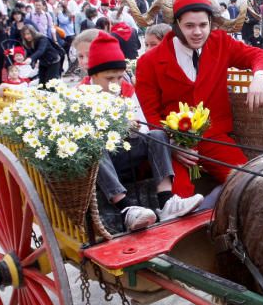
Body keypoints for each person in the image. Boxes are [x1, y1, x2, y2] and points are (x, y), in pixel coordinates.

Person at [135, 0, 263, 198]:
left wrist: (260, 76)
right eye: (190, 26)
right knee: (177, 200)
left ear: (210, 23)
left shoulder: (220, 42)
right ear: (177, 25)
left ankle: (220, 206)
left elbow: (259, 55)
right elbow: (151, 114)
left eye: (203, 25)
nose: (198, 32)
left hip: (215, 138)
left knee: (250, 185)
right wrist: (171, 146)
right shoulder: (148, 62)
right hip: (174, 144)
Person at [86, 33, 203, 228]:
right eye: (109, 78)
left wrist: (133, 124)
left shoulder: (125, 90)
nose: (115, 84)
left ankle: (166, 200)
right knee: (93, 145)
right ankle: (125, 208)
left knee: (157, 134)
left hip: (127, 150)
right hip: (104, 160)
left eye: (118, 77)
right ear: (93, 76)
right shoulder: (82, 95)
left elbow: (144, 126)